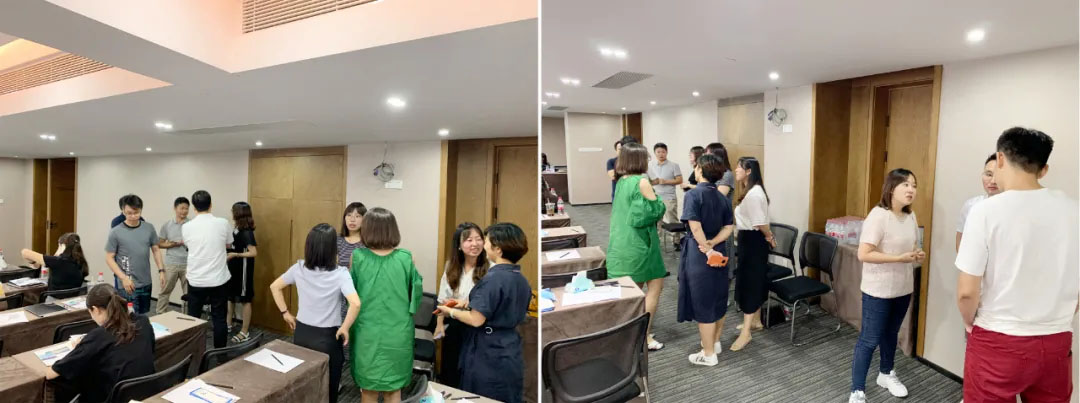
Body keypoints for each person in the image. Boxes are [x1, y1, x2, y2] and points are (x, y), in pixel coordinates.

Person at [956, 127, 1077, 402]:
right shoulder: (1075, 211)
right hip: (1056, 340)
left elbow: (966, 292)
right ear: (1043, 170)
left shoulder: (985, 211)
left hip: (998, 338)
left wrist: (969, 322)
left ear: (1000, 158)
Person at [847, 168, 924, 403]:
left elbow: (912, 246)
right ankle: (857, 390)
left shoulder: (911, 216)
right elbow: (864, 253)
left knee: (891, 333)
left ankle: (886, 373)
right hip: (878, 290)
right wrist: (898, 258)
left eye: (914, 185)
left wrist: (916, 254)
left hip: (903, 287)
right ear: (891, 188)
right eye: (905, 185)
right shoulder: (879, 216)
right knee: (869, 339)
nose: (911, 190)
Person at [437, 222, 531, 403]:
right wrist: (467, 304)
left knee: (480, 394)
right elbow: (501, 304)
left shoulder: (493, 279)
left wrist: (450, 311)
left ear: (498, 249)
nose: (482, 245)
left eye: (485, 240)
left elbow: (476, 319)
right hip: (509, 346)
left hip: (488, 349)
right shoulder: (520, 279)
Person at [270, 223, 360, 403]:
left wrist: (285, 313)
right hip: (328, 338)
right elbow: (355, 303)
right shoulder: (341, 274)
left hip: (302, 334)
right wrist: (345, 328)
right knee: (328, 389)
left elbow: (275, 287)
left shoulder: (299, 268)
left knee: (303, 385)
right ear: (332, 249)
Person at [349, 208, 423, 403]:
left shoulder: (357, 257)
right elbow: (415, 296)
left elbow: (351, 295)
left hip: (367, 331)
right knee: (393, 388)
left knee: (368, 389)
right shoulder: (406, 258)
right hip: (398, 331)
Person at [44, 284, 155, 403]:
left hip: (113, 398)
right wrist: (85, 346)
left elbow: (51, 374)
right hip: (146, 392)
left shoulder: (98, 336)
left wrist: (81, 347)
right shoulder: (143, 321)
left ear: (95, 309)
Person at [607, 141, 667, 351]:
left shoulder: (621, 181)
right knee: (654, 287)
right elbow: (654, 211)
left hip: (621, 241)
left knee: (633, 291)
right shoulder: (641, 181)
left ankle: (630, 333)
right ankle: (644, 337)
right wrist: (659, 201)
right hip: (640, 243)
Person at [678, 154, 735, 366]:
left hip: (700, 254)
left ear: (700, 170)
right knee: (718, 298)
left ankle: (709, 354)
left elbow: (695, 227)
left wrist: (707, 249)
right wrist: (713, 244)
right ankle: (715, 342)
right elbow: (728, 228)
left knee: (703, 302)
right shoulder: (722, 197)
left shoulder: (693, 195)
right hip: (719, 251)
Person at [730, 157, 776, 351]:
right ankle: (755, 321)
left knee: (750, 282)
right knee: (751, 280)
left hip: (754, 241)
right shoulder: (750, 191)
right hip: (748, 240)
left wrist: (769, 236)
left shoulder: (755, 193)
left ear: (749, 171)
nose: (736, 170)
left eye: (739, 167)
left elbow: (759, 223)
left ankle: (746, 332)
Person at [435, 222, 490, 387]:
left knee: (472, 374)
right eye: (468, 240)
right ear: (459, 245)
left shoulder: (491, 267)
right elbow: (443, 300)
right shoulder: (451, 266)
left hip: (479, 326)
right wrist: (439, 325)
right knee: (451, 370)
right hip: (455, 322)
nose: (475, 244)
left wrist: (467, 303)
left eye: (478, 239)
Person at [182, 190, 233, 348]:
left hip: (196, 280)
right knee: (219, 318)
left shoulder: (187, 227)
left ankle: (194, 352)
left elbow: (188, 245)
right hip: (219, 280)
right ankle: (220, 354)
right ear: (211, 205)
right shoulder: (223, 223)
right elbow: (229, 244)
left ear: (194, 208)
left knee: (194, 319)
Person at [105, 194, 164, 314]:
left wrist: (161, 270)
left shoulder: (149, 228)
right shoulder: (116, 232)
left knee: (143, 315)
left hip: (146, 281)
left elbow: (156, 249)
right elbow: (109, 257)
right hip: (127, 283)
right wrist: (123, 278)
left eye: (136, 213)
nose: (132, 216)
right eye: (129, 213)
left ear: (141, 210)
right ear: (123, 211)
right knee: (129, 318)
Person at [225, 201, 258, 343]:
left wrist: (236, 254)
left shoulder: (247, 232)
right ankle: (228, 324)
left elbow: (253, 252)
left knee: (245, 299)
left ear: (238, 213)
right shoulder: (236, 228)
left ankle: (245, 331)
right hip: (233, 268)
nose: (231, 213)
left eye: (233, 211)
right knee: (230, 296)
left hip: (243, 270)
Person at [955, 153, 1001, 252]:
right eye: (989, 174)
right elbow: (960, 241)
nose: (993, 181)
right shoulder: (971, 205)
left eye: (999, 175)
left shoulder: (1014, 208)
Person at [21, 233, 89, 297]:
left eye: (58, 246)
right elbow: (38, 265)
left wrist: (58, 252)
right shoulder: (81, 262)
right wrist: (35, 262)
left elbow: (24, 252)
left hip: (53, 300)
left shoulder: (58, 261)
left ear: (63, 246)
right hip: (71, 300)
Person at [157, 197, 190, 314]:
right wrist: (171, 244)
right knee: (165, 291)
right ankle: (160, 315)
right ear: (175, 208)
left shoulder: (192, 224)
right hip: (171, 264)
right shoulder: (167, 225)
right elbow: (159, 244)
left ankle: (187, 317)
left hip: (188, 264)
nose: (184, 211)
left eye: (186, 208)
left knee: (189, 294)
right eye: (182, 208)